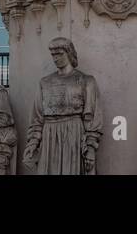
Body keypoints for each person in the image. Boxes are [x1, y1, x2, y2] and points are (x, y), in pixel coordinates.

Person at [23, 37, 102, 174]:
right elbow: (37, 118)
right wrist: (33, 142)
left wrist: (90, 148)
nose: (55, 58)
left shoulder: (86, 81)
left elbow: (93, 119)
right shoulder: (45, 82)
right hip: (49, 135)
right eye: (53, 55)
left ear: (69, 53)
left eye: (59, 54)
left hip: (74, 134)